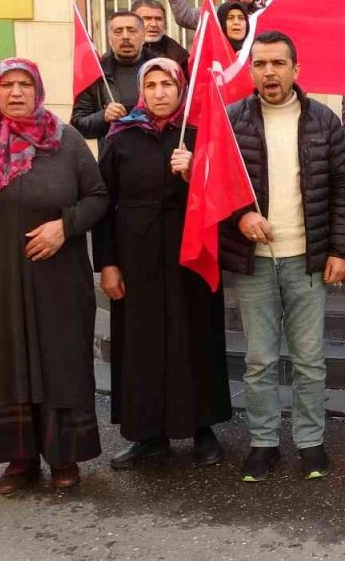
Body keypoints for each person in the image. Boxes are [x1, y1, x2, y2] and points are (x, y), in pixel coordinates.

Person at [0, 58, 108, 494]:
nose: (16, 93)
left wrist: (64, 227)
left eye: (25, 84)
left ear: (38, 90)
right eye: (7, 85)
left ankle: (63, 453)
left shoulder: (66, 140)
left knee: (60, 359)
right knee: (2, 360)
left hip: (57, 274)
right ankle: (19, 458)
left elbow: (97, 197)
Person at [221, 31, 345, 482]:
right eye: (260, 64)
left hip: (307, 259)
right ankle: (263, 443)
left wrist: (341, 250)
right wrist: (240, 215)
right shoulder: (232, 120)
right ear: (251, 70)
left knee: (309, 360)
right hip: (255, 261)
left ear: (296, 69)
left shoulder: (324, 121)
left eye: (278, 63)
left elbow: (343, 189)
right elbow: (217, 185)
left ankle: (310, 441)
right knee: (258, 360)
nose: (269, 72)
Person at [93, 58, 232, 470]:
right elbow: (102, 204)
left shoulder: (197, 133)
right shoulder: (120, 137)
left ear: (180, 88)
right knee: (142, 343)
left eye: (167, 84)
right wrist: (107, 264)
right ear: (141, 91)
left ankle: (203, 427)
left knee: (196, 338)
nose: (159, 92)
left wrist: (194, 173)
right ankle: (148, 434)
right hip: (136, 257)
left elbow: (224, 193)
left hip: (190, 253)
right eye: (151, 84)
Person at [71, 10, 149, 145]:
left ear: (143, 35)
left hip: (155, 152)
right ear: (109, 38)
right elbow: (78, 125)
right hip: (112, 155)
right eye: (118, 31)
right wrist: (103, 116)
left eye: (132, 31)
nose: (125, 37)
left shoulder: (160, 68)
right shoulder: (97, 73)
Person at [132, 0, 189, 71]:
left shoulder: (180, 57)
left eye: (158, 19)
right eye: (147, 18)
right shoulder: (120, 50)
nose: (154, 24)